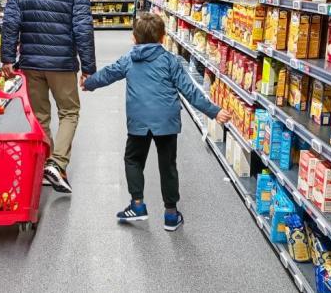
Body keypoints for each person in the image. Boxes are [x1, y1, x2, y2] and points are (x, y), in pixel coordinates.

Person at [82, 12, 231, 231]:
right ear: (163, 38)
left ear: (133, 38)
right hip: (166, 122)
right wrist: (214, 111)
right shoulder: (170, 61)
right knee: (168, 165)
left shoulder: (129, 59)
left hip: (139, 122)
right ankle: (171, 215)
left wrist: (90, 83)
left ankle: (137, 205)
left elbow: (109, 73)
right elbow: (189, 90)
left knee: (133, 159)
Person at [1, 0, 96, 194]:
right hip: (62, 63)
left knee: (39, 115)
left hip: (31, 61)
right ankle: (57, 163)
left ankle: (45, 161)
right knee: (69, 112)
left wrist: (7, 58)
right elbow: (83, 29)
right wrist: (88, 68)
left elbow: (10, 22)